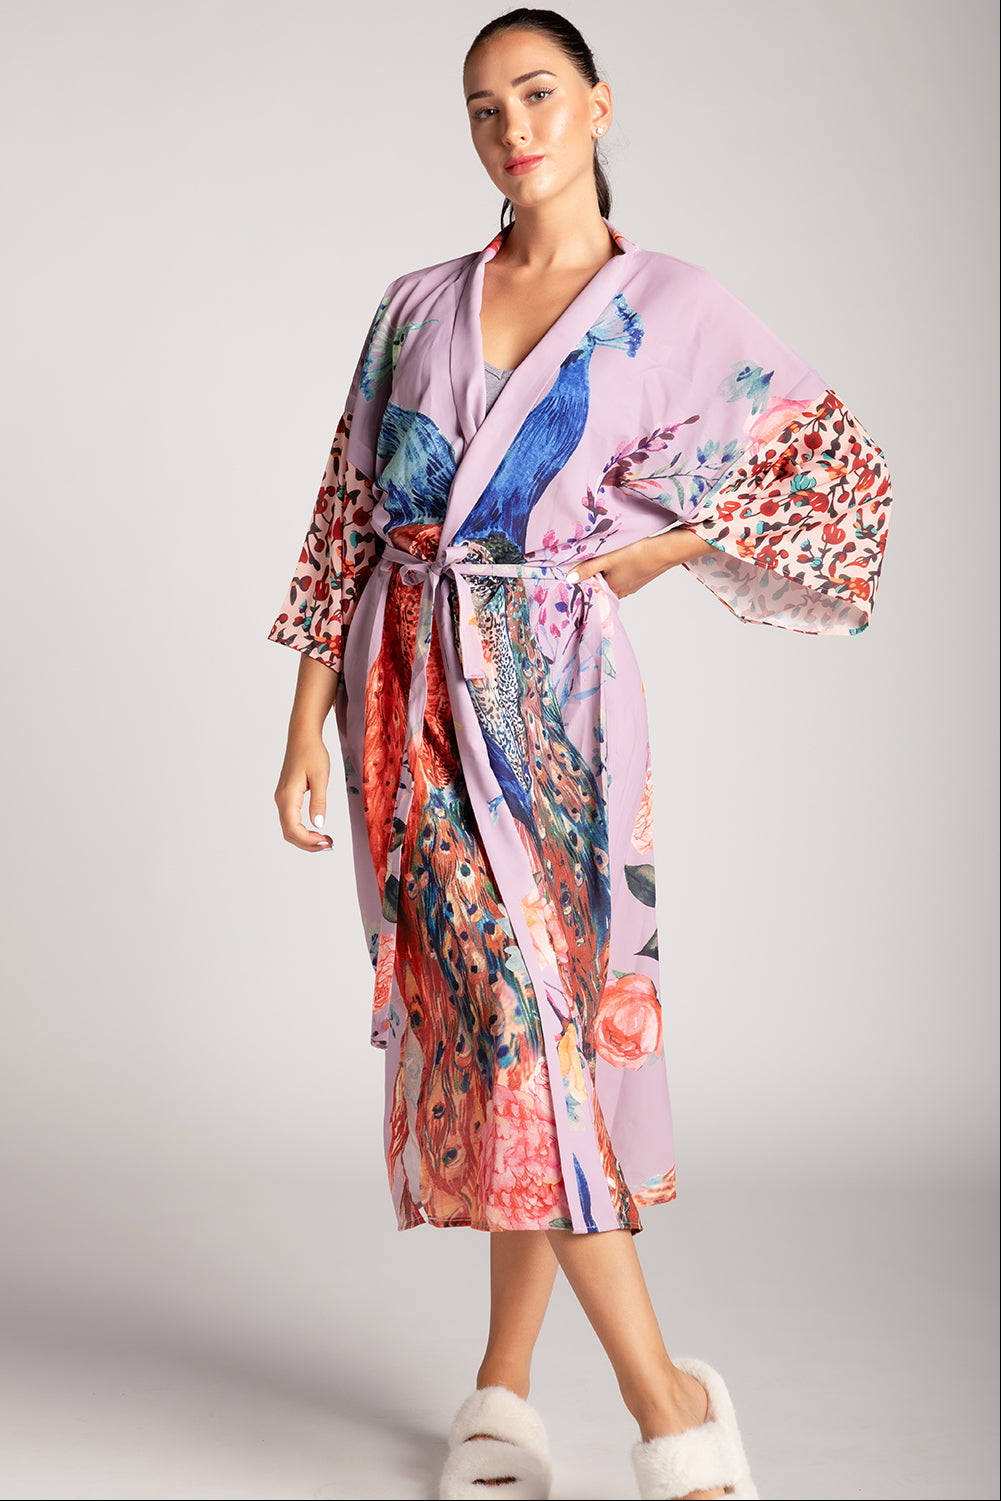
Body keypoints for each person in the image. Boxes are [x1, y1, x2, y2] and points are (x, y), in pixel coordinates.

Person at [268, 9, 892, 1499]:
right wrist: (302, 727)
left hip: (558, 712)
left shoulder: (668, 305)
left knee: (539, 1040)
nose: (513, 130)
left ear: (600, 106)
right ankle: (538, 1391)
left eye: (538, 95)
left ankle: (643, 1403)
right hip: (407, 702)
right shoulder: (415, 304)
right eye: (484, 108)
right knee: (506, 1039)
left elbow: (838, 473)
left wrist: (659, 549)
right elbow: (346, 511)